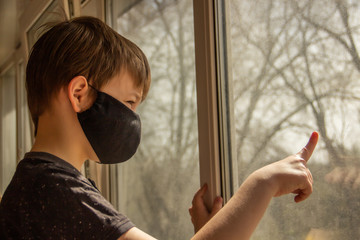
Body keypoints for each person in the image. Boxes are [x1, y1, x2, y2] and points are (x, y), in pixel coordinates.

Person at [0, 16, 319, 240]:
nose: (132, 121)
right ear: (80, 93)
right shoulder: (52, 189)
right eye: (128, 104)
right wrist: (263, 183)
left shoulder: (37, 184)